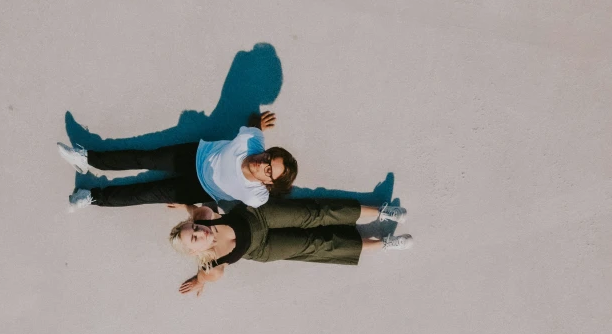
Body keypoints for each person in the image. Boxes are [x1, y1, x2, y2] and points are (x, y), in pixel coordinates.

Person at [168, 199, 413, 296]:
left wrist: (184, 207)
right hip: (261, 247)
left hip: (258, 217)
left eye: (195, 229)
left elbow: (194, 210)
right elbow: (204, 275)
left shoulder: (203, 216)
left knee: (316, 214)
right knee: (318, 245)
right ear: (194, 252)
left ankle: (382, 212)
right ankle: (385, 243)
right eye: (195, 238)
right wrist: (199, 281)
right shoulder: (212, 266)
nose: (201, 232)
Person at [57, 111, 298, 209]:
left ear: (268, 183)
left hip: (198, 189)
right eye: (268, 157)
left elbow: (231, 210)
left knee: (144, 194)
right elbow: (254, 124)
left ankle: (91, 197)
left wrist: (192, 210)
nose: (261, 162)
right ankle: (85, 158)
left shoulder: (258, 197)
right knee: (144, 158)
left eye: (269, 170)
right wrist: (259, 123)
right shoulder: (252, 141)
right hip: (194, 156)